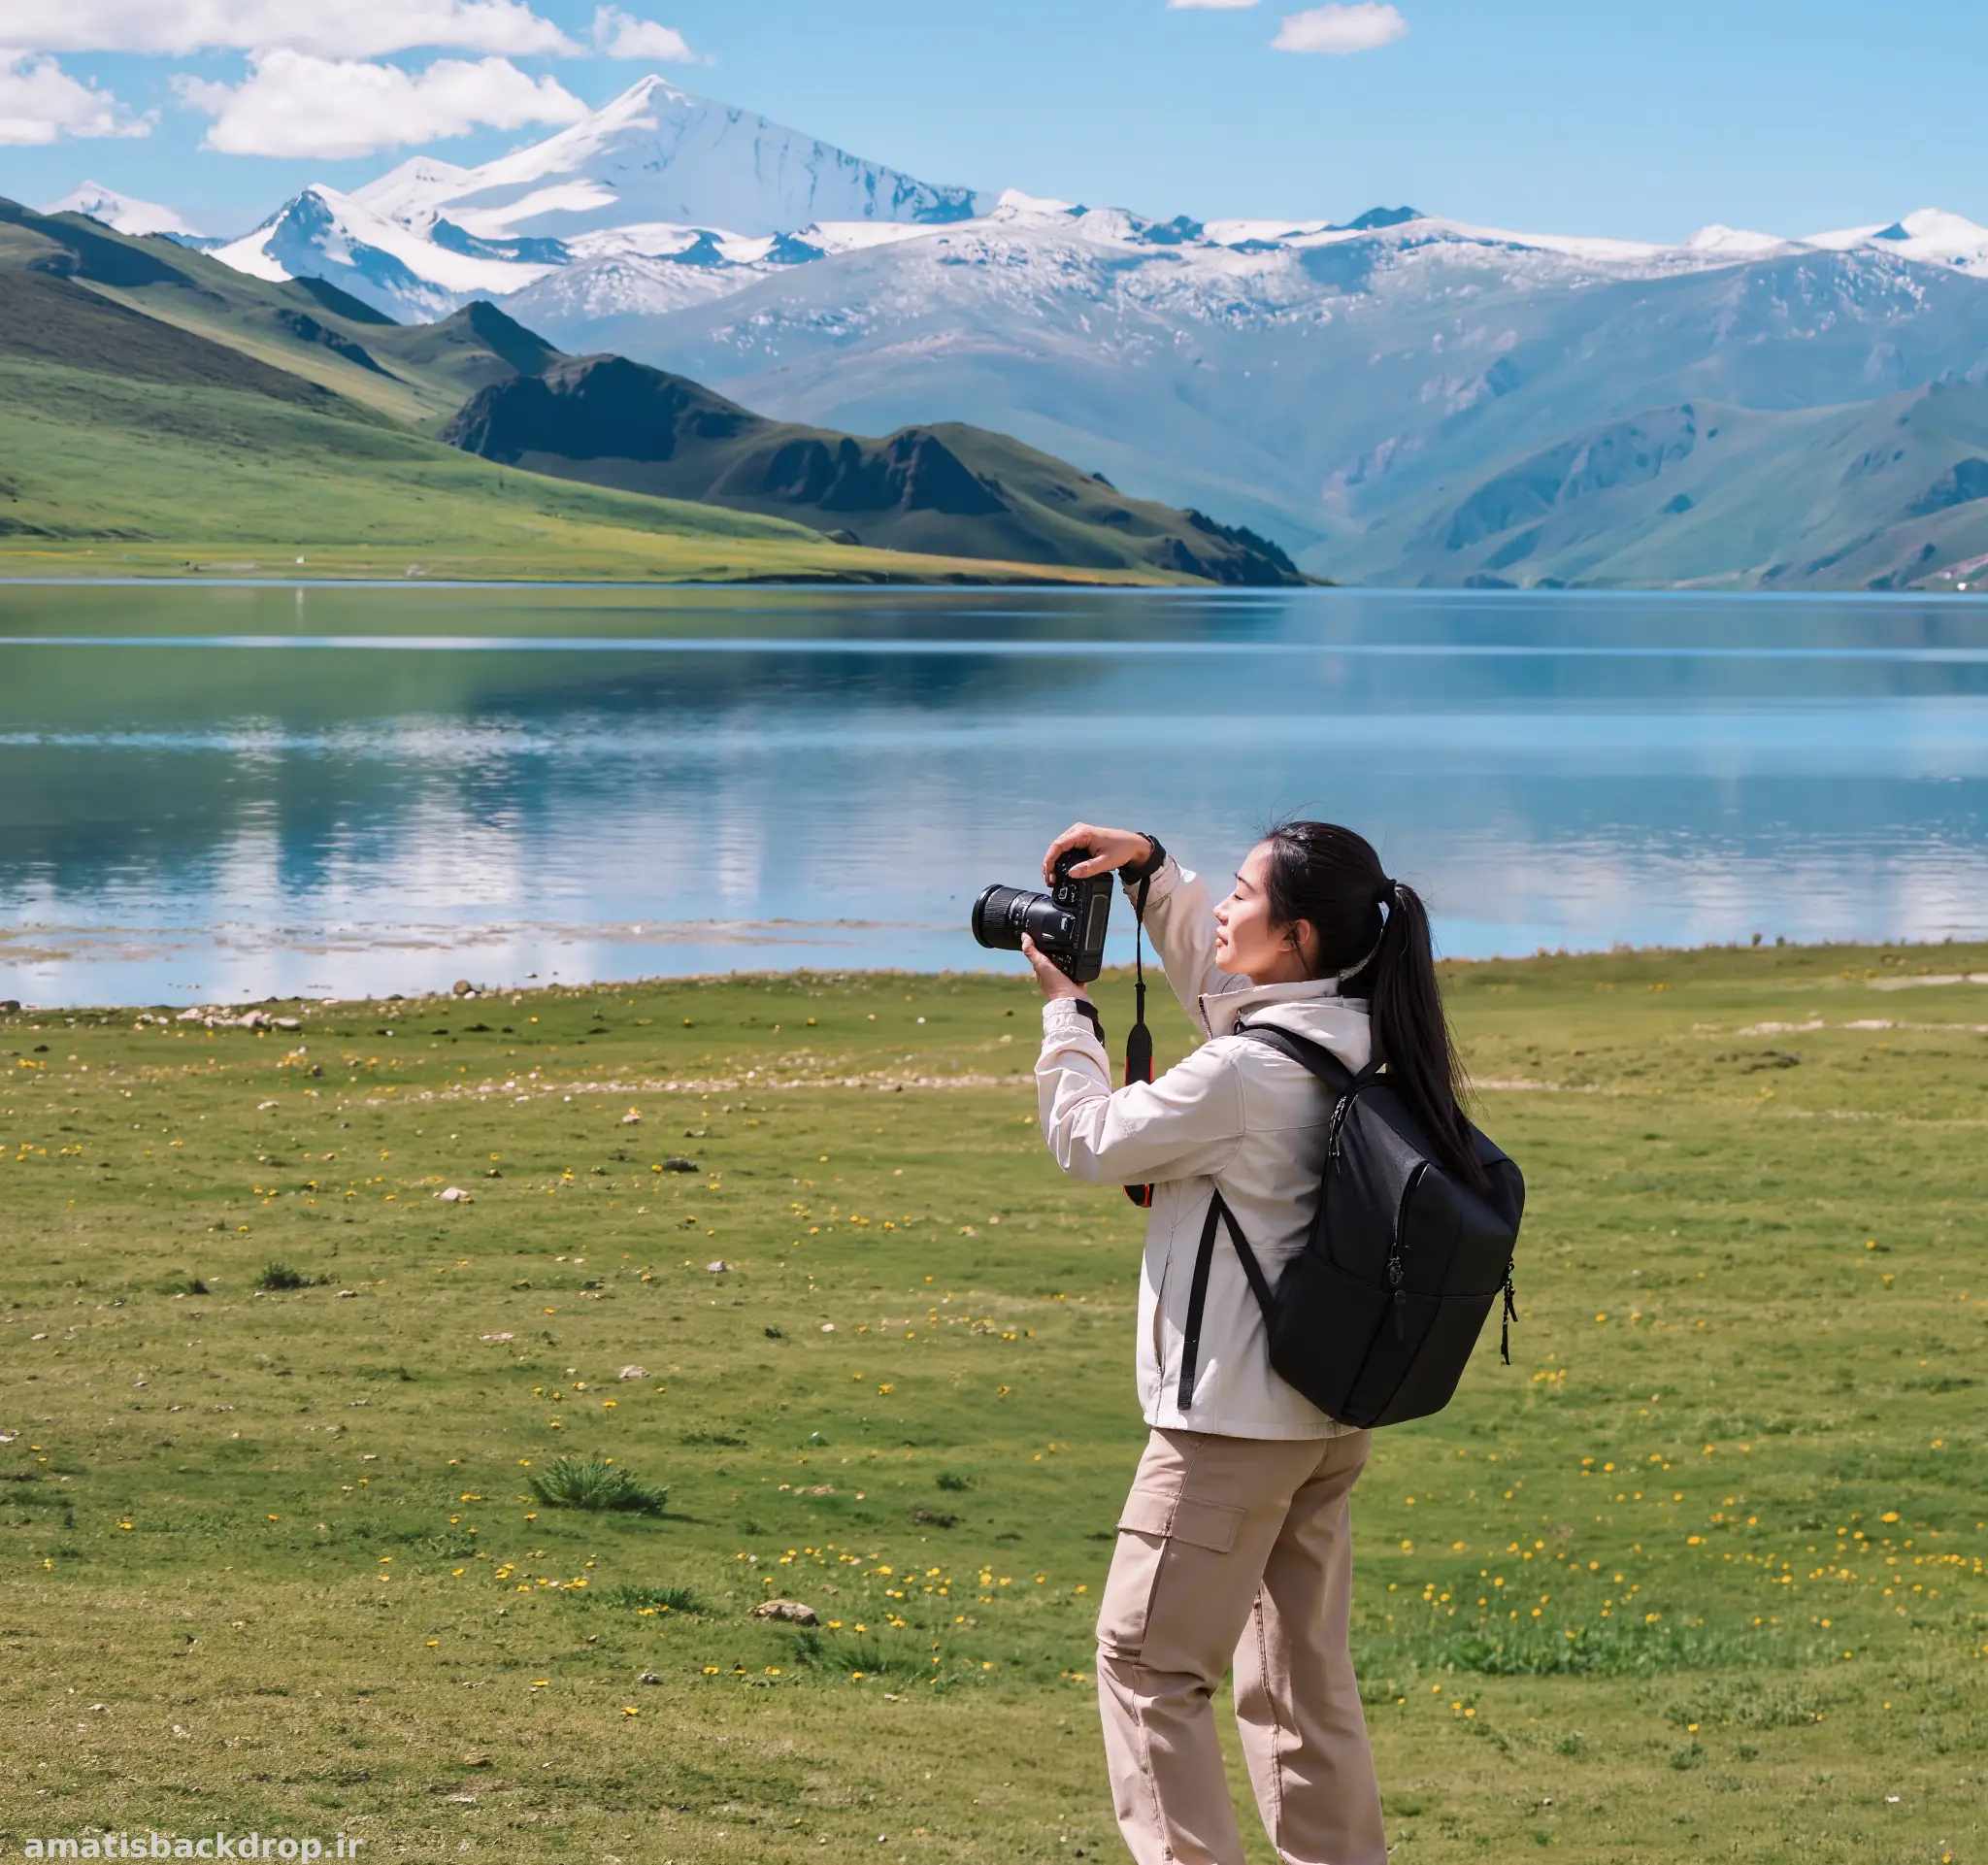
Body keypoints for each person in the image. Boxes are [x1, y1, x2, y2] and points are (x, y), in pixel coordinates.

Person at [1019, 819, 1481, 1865]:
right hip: (1322, 1416)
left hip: (1223, 1429)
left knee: (1147, 1668)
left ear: (1300, 937)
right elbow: (1226, 991)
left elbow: (1087, 1139)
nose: (1220, 908)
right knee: (1298, 1685)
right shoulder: (1367, 1036)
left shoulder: (1241, 1076)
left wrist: (1068, 1021)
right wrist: (1147, 870)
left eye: (1237, 891)